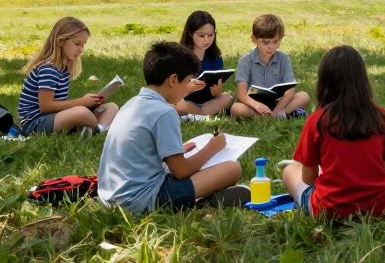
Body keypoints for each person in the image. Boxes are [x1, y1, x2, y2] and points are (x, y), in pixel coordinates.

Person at [98, 41, 249, 212]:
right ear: (173, 80)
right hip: (140, 201)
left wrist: (175, 154)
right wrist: (211, 148)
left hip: (110, 198)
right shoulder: (164, 112)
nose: (189, 87)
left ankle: (203, 199)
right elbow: (181, 171)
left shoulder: (133, 104)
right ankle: (203, 203)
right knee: (232, 168)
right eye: (188, 81)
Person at [280, 45, 385, 218]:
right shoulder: (380, 115)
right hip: (380, 208)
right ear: (363, 80)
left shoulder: (317, 121)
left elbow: (307, 178)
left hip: (330, 210)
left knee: (290, 170)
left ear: (324, 83)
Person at [18, 16, 119, 136]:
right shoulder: (49, 70)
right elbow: (46, 106)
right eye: (77, 44)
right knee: (81, 112)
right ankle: (96, 130)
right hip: (35, 124)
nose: (81, 49)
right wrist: (81, 102)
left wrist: (88, 102)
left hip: (55, 118)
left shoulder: (63, 69)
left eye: (83, 44)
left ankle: (96, 129)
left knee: (111, 107)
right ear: (61, 41)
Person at [230, 14, 310, 119]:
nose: (271, 47)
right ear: (254, 39)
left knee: (304, 96)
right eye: (265, 42)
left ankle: (277, 115)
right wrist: (257, 105)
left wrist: (278, 108)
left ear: (281, 39)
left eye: (275, 41)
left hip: (278, 103)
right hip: (254, 105)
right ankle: (280, 116)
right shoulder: (245, 61)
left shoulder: (283, 58)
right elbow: (241, 94)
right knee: (236, 108)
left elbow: (290, 90)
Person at [175, 11, 233, 118]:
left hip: (208, 102)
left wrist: (217, 92)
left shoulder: (215, 58)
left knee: (228, 98)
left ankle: (199, 115)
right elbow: (171, 94)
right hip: (186, 101)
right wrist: (187, 89)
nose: (206, 40)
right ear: (190, 33)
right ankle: (203, 114)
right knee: (179, 106)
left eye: (210, 35)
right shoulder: (179, 57)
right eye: (201, 35)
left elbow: (217, 94)